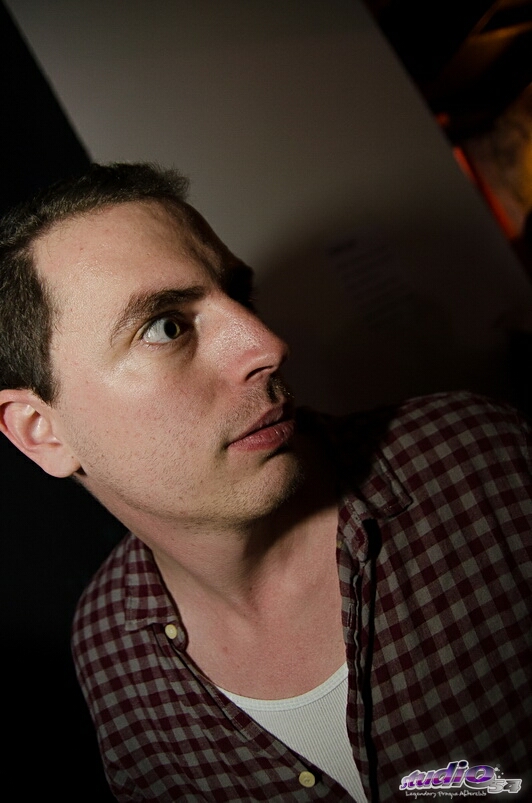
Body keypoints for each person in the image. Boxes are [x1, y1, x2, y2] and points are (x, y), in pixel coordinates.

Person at [0, 163, 530, 802]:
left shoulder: (480, 463)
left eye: (240, 296)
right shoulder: (110, 643)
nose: (267, 344)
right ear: (42, 432)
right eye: (166, 326)